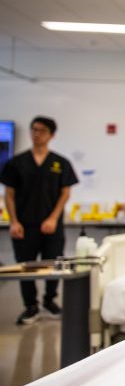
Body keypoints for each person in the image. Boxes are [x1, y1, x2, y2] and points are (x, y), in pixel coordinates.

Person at [0, 116, 78, 326]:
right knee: (26, 267)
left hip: (52, 226)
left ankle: (50, 301)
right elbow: (9, 194)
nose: (37, 134)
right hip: (24, 225)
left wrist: (53, 218)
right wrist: (13, 221)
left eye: (42, 130)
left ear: (51, 135)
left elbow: (65, 193)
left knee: (53, 264)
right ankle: (30, 306)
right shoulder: (16, 163)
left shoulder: (60, 163)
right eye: (34, 129)